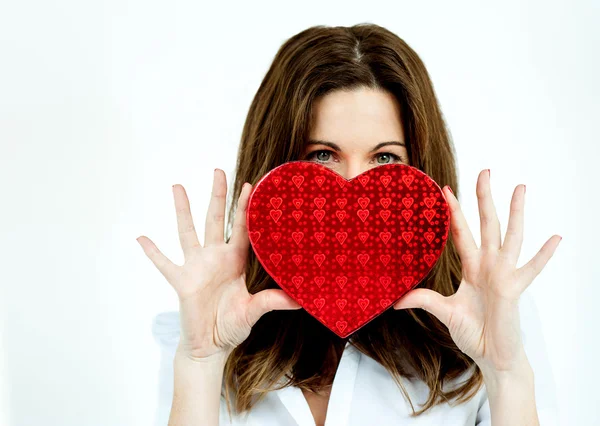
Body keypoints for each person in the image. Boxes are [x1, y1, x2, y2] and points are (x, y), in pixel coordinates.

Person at [137, 23, 561, 426]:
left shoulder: (493, 319)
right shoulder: (200, 330)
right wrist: (201, 363)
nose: (355, 193)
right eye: (322, 154)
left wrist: (505, 374)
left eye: (385, 158)